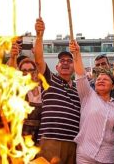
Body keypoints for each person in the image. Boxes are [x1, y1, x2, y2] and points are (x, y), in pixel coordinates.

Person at [69, 40, 114, 164]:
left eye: (106, 79)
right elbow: (80, 74)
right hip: (85, 155)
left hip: (111, 157)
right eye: (98, 79)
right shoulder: (87, 96)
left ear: (113, 86)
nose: (101, 80)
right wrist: (77, 54)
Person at [34, 18, 80, 164]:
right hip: (49, 141)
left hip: (73, 143)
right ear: (57, 67)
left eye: (69, 60)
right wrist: (39, 36)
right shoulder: (49, 80)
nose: (66, 63)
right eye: (62, 61)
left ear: (74, 67)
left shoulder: (81, 88)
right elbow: (39, 60)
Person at [18, 58, 42, 144]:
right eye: (24, 70)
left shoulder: (43, 91)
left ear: (36, 71)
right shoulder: (17, 91)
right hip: (22, 138)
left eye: (31, 70)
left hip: (41, 138)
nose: (28, 73)